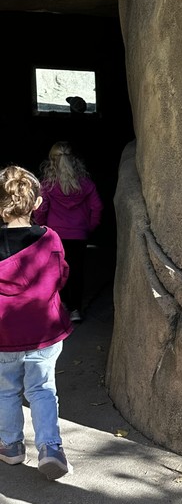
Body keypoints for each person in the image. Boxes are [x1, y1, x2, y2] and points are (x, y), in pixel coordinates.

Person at [0, 166, 73, 479]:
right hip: (44, 332)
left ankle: (11, 446)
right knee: (43, 390)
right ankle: (50, 448)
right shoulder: (51, 239)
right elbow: (62, 274)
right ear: (37, 203)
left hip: (3, 335)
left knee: (5, 391)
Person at [36, 141, 102, 323]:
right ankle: (76, 310)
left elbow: (41, 209)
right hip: (79, 234)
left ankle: (62, 305)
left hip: (55, 235)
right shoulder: (85, 184)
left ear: (52, 161)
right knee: (77, 272)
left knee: (57, 271)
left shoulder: (48, 185)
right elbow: (97, 207)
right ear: (74, 160)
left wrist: (42, 226)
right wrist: (89, 226)